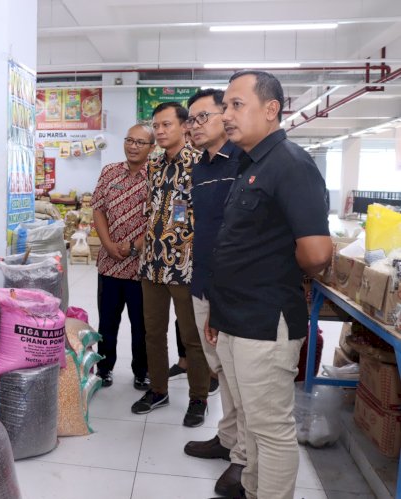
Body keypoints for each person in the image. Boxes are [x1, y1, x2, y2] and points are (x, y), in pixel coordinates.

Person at [207, 71, 332, 499]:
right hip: (237, 317)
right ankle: (254, 489)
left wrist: (277, 269)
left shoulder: (291, 165)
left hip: (265, 320)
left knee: (271, 429)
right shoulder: (251, 164)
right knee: (252, 423)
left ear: (271, 109)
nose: (226, 114)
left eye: (235, 104)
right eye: (225, 106)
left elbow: (316, 253)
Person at [179, 88, 245, 498]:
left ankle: (243, 459)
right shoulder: (201, 166)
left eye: (201, 117)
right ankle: (226, 438)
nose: (193, 127)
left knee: (241, 377)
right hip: (202, 281)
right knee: (220, 367)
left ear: (225, 115)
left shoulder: (243, 162)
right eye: (191, 120)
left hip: (233, 288)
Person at [129, 102, 210, 428]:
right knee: (153, 331)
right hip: (152, 263)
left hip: (186, 264)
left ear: (183, 126)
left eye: (166, 125)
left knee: (192, 336)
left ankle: (199, 398)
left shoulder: (200, 163)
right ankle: (158, 389)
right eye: (156, 126)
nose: (160, 131)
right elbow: (153, 209)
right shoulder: (153, 165)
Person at [91, 124, 152, 391]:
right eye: (129, 140)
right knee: (107, 323)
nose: (133, 146)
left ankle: (142, 371)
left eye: (140, 142)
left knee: (143, 326)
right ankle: (104, 369)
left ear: (152, 147)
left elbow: (161, 219)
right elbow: (98, 209)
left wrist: (134, 246)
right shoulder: (110, 172)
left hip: (143, 267)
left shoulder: (158, 176)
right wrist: (107, 243)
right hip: (109, 264)